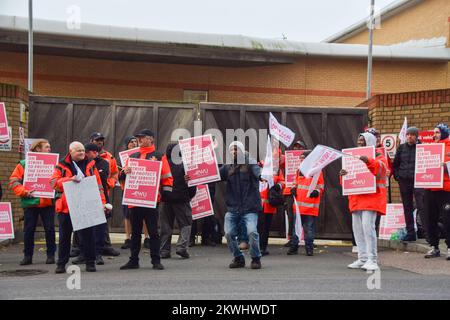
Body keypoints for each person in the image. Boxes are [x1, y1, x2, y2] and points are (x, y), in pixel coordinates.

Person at [119, 129, 173, 270]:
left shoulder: (159, 156)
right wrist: (124, 173)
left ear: (151, 139)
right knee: (135, 233)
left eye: (142, 138)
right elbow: (122, 177)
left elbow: (167, 177)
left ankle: (156, 260)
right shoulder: (133, 155)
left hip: (151, 200)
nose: (140, 140)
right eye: (139, 138)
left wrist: (165, 195)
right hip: (135, 201)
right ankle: (133, 260)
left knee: (153, 232)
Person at [50, 141, 107, 273]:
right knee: (64, 237)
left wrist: (102, 203)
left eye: (82, 150)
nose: (82, 153)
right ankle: (61, 264)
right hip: (66, 207)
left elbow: (98, 186)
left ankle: (90, 263)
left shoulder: (91, 165)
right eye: (78, 151)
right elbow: (53, 183)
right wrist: (70, 179)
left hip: (85, 206)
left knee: (88, 236)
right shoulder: (61, 166)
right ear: (71, 152)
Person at [341, 133, 388, 271]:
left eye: (363, 140)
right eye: (358, 140)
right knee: (358, 230)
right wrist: (342, 175)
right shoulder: (352, 156)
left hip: (371, 197)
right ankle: (362, 258)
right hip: (356, 197)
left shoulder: (378, 155)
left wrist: (368, 160)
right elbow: (348, 179)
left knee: (368, 227)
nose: (360, 142)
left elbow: (382, 170)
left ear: (369, 141)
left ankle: (372, 259)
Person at [9, 139, 56, 265]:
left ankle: (51, 255)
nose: (49, 149)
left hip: (47, 203)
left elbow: (58, 182)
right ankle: (27, 256)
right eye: (47, 147)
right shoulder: (23, 164)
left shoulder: (54, 165)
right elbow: (14, 181)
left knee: (50, 230)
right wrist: (24, 191)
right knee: (29, 230)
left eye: (49, 146)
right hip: (30, 202)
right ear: (37, 149)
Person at [220, 141, 264, 269]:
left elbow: (258, 171)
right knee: (228, 233)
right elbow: (214, 175)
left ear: (241, 150)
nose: (234, 152)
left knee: (252, 232)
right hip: (233, 208)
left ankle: (256, 258)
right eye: (232, 150)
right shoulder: (228, 167)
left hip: (250, 208)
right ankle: (238, 258)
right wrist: (194, 176)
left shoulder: (250, 163)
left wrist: (262, 176)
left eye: (236, 149)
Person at [160, 142, 197, 259]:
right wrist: (189, 196)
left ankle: (164, 250)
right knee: (186, 223)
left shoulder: (163, 165)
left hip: (166, 199)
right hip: (182, 199)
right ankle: (182, 247)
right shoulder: (185, 164)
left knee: (166, 225)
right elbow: (191, 183)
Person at [89, 132, 120, 256]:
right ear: (91, 141)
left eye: (101, 140)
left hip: (103, 193)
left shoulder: (109, 157)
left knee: (103, 220)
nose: (100, 142)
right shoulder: (84, 154)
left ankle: (105, 246)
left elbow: (115, 174)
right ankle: (77, 247)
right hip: (87, 194)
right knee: (83, 220)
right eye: (97, 140)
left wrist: (109, 184)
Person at [289, 151, 324, 256]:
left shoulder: (317, 171)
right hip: (299, 206)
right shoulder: (299, 170)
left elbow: (321, 186)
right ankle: (294, 248)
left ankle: (309, 248)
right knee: (296, 228)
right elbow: (295, 182)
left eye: (303, 158)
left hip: (310, 206)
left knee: (309, 229)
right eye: (301, 158)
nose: (301, 160)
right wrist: (293, 188)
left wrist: (316, 192)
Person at [392, 126, 424, 242]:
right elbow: (395, 164)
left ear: (416, 136)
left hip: (418, 182)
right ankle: (410, 233)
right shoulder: (401, 148)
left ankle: (427, 232)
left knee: (422, 206)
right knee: (407, 207)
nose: (409, 136)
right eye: (408, 134)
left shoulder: (422, 148)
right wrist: (397, 176)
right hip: (404, 181)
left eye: (412, 134)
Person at [423, 123, 450, 260]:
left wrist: (446, 167)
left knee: (447, 219)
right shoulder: (429, 148)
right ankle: (434, 246)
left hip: (445, 190)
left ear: (444, 133)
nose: (434, 135)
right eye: (434, 132)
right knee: (429, 219)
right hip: (430, 188)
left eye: (438, 132)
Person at [282, 140, 307, 248]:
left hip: (302, 191)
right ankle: (292, 238)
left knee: (304, 216)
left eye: (299, 147)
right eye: (295, 147)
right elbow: (276, 159)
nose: (297, 149)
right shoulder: (287, 158)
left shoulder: (307, 160)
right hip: (289, 191)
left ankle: (307, 238)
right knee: (291, 216)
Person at [258, 165, 284, 256]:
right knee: (258, 228)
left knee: (265, 228)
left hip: (269, 205)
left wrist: (278, 186)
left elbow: (282, 182)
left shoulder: (276, 169)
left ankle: (262, 248)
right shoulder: (258, 167)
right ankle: (257, 247)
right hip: (257, 204)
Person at [120, 136, 138, 250]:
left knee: (144, 214)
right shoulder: (122, 158)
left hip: (140, 187)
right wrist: (124, 172)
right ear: (127, 144)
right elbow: (118, 175)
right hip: (127, 188)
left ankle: (146, 237)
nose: (134, 143)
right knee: (127, 215)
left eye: (136, 142)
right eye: (132, 142)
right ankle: (128, 238)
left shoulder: (142, 155)